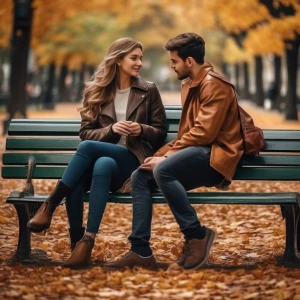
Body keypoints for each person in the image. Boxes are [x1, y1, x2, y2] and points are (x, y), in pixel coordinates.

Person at [104, 33, 244, 270]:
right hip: (196, 152)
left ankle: (196, 235)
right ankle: (140, 251)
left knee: (164, 170)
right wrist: (160, 154)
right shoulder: (190, 84)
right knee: (140, 176)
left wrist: (166, 158)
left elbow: (204, 134)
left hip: (216, 156)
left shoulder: (215, 85)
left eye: (174, 61)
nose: (171, 66)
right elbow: (186, 134)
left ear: (189, 61)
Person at [27, 38, 167, 268]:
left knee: (86, 150)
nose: (139, 62)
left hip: (131, 162)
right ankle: (82, 244)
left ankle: (50, 204)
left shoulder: (148, 90)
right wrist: (111, 130)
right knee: (97, 165)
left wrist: (141, 129)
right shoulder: (96, 90)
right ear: (119, 59)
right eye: (134, 58)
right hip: (104, 165)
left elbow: (160, 132)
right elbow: (86, 132)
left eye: (141, 58)